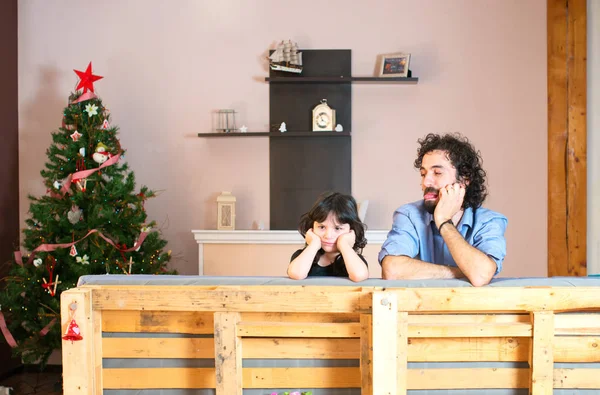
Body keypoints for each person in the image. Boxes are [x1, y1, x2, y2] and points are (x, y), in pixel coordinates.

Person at [379, 133, 507, 286]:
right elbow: (392, 270)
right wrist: (461, 272)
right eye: (423, 174)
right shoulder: (409, 215)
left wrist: (444, 222)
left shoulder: (489, 221)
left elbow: (480, 275)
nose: (426, 182)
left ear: (465, 179)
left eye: (437, 173)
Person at [287, 192, 369, 282]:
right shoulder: (302, 256)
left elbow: (359, 276)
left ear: (351, 231)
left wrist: (344, 245)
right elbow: (296, 274)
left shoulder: (355, 260)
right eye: (322, 227)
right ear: (312, 228)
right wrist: (314, 244)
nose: (328, 235)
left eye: (337, 228)